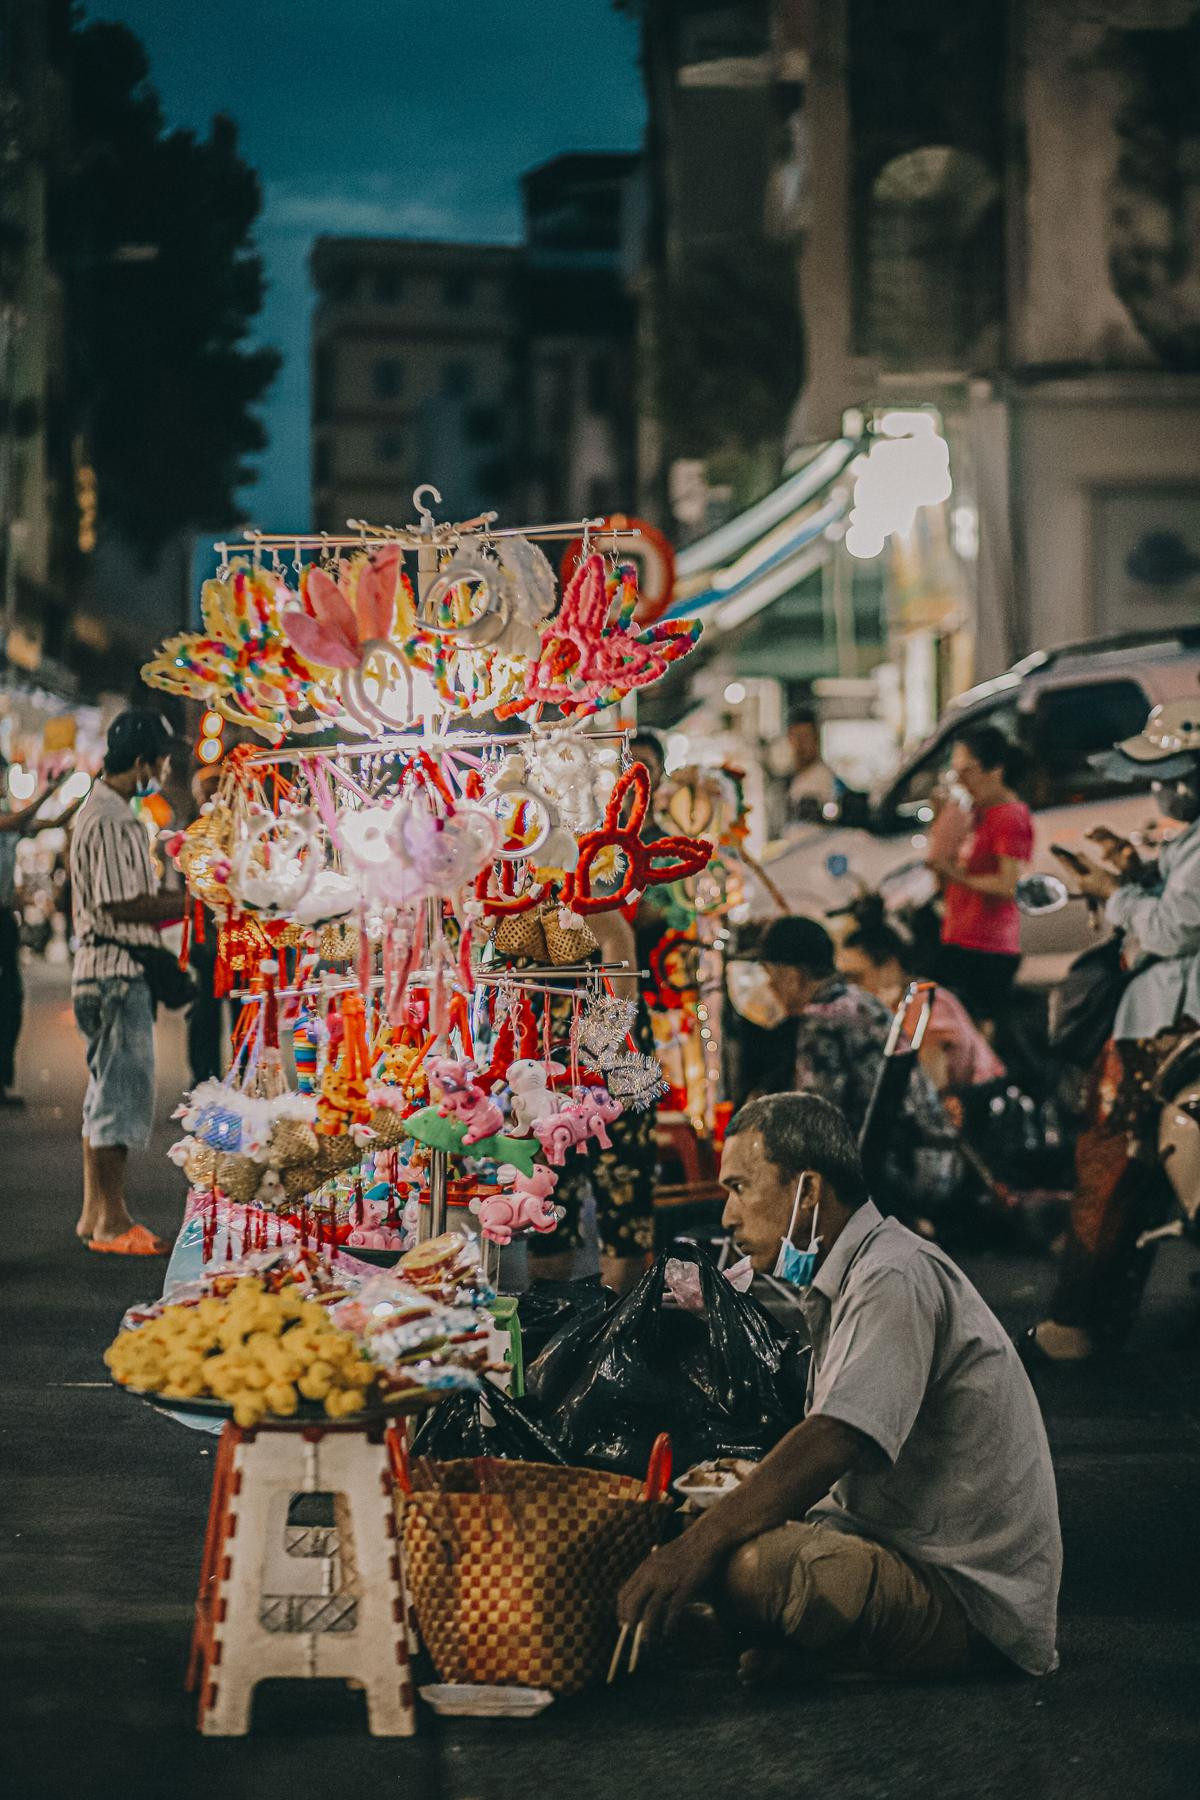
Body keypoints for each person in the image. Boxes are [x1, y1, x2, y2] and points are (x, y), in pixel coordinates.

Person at [618, 1092, 1062, 1678]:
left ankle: (802, 1635)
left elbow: (836, 1438)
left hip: (972, 1602)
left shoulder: (892, 1275)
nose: (728, 1216)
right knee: (702, 1532)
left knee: (749, 1566)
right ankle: (801, 1638)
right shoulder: (859, 1272)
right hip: (901, 1550)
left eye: (741, 1188)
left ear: (808, 1190)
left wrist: (696, 1550)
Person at [1029, 716, 1200, 1362]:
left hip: (1166, 1035)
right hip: (1158, 1027)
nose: (1163, 792)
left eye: (1171, 779)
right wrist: (1132, 873)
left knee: (1110, 1171)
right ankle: (1092, 1320)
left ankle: (1076, 1324)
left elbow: (1172, 927)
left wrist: (1119, 891)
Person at [70, 711, 180, 1254]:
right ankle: (113, 1222)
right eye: (158, 761)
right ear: (140, 764)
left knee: (102, 1093)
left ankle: (94, 1214)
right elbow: (122, 902)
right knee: (120, 1094)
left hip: (99, 972)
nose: (161, 771)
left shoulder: (100, 810)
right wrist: (193, 901)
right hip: (115, 974)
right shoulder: (113, 818)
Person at [757, 914, 945, 1141]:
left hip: (895, 1164)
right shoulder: (861, 1001)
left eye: (770, 976)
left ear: (792, 977)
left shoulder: (822, 1019)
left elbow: (816, 1118)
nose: (769, 987)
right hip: (930, 1151)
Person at [926, 724, 1033, 1025]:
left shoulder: (1010, 816)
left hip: (988, 946)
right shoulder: (975, 813)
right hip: (960, 936)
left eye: (968, 771)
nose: (962, 781)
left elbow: (1007, 884)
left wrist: (954, 874)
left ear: (995, 770)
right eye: (956, 772)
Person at [837, 921, 1004, 1095]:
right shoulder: (894, 1005)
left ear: (890, 967)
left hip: (976, 1105)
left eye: (856, 978)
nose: (849, 988)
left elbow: (930, 1088)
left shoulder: (926, 1006)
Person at [0, 761, 75, 1105]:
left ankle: (3, 1080)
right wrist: (49, 789)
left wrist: (86, 789)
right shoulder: (9, 820)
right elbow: (18, 821)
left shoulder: (11, 820)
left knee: (11, 999)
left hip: (4, 919)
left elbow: (54, 823)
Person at [786, 706, 838, 819]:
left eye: (805, 737)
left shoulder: (824, 778)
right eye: (796, 737)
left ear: (816, 740)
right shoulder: (785, 777)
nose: (800, 745)